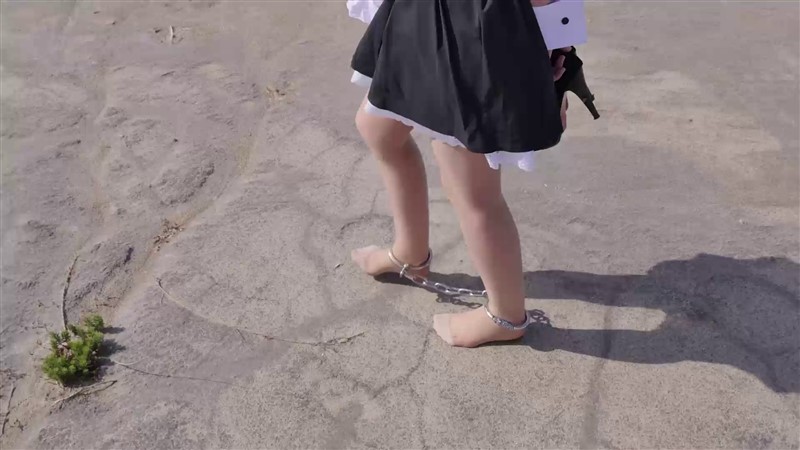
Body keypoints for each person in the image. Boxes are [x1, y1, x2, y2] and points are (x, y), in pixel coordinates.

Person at [348, 0, 575, 347]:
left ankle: (506, 316)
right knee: (378, 128)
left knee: (471, 189)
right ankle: (410, 252)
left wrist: (553, 44)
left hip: (472, 34)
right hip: (424, 16)